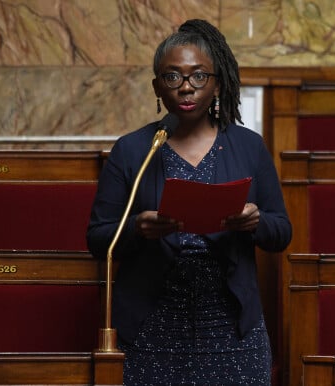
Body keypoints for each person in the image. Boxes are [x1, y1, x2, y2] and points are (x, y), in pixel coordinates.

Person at [87, 19, 292, 386]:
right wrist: (137, 228)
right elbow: (98, 239)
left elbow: (282, 231)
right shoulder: (134, 150)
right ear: (157, 87)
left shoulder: (248, 147)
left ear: (216, 84)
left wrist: (256, 221)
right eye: (173, 77)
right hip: (150, 332)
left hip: (232, 332)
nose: (185, 88)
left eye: (198, 77)